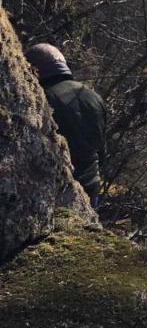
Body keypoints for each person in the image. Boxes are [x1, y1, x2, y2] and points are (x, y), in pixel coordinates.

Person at [24, 43, 108, 207]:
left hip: (58, 187)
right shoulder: (92, 96)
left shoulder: (40, 99)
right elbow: (102, 148)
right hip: (91, 183)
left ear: (32, 68)